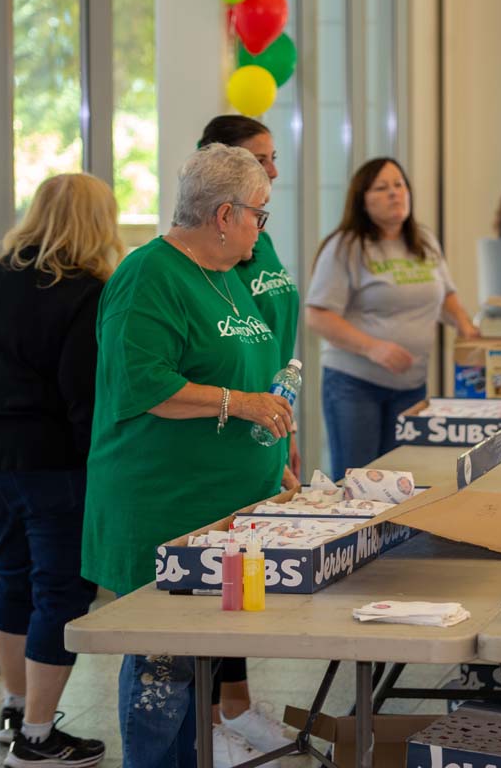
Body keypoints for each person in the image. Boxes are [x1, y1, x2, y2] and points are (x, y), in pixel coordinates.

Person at [81, 144, 295, 767]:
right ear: (224, 215)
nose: (263, 227)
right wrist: (245, 404)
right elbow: (141, 384)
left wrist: (270, 454)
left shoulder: (227, 272)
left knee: (194, 675)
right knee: (161, 669)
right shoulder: (148, 276)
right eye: (260, 213)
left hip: (227, 506)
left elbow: (250, 371)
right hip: (164, 507)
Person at [0, 173, 124, 767]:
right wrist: (97, 465)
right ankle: (40, 738)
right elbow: (83, 396)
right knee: (61, 591)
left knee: (14, 578)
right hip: (51, 466)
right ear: (98, 222)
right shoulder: (88, 292)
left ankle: (15, 707)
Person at [195, 116, 300, 761]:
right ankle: (209, 724)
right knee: (210, 596)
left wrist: (284, 426)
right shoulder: (214, 252)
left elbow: (275, 344)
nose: (274, 172)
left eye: (273, 157)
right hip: (225, 435)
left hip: (266, 421)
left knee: (239, 585)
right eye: (260, 160)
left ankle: (235, 707)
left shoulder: (260, 238)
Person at [307, 157, 480, 480]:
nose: (394, 194)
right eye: (382, 188)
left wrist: (466, 327)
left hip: (411, 386)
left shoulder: (423, 241)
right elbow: (318, 316)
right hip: (355, 386)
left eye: (399, 185)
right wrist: (373, 348)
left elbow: (446, 295)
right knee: (358, 484)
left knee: (400, 482)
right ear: (362, 199)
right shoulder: (345, 247)